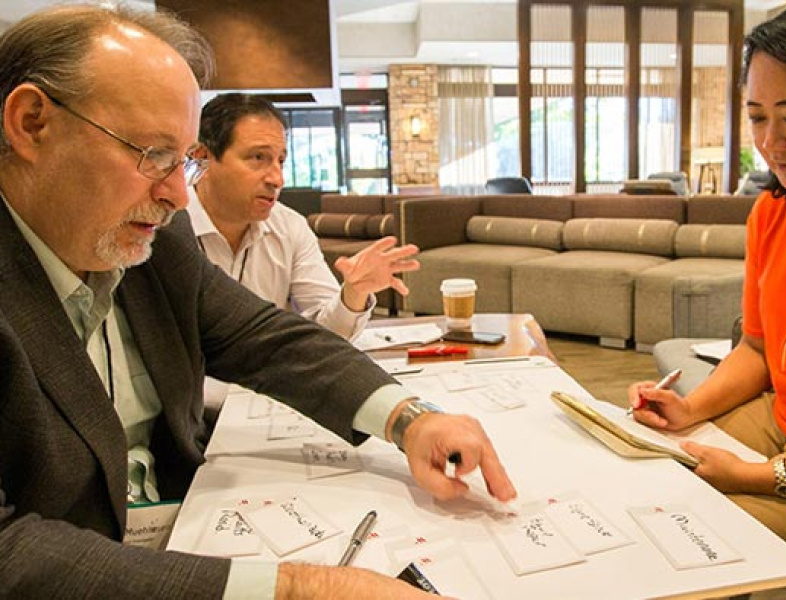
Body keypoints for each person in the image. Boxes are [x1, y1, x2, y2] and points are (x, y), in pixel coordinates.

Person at [0, 5, 516, 598]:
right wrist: (297, 588)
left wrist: (409, 419)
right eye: (152, 153)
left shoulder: (152, 242)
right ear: (33, 122)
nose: (174, 195)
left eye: (185, 159)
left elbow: (267, 338)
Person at [628, 4, 786, 552]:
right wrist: (689, 409)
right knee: (645, 481)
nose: (772, 143)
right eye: (757, 117)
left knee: (702, 533)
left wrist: (756, 476)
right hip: (781, 422)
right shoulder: (771, 214)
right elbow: (757, 348)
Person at [188, 93, 419, 342]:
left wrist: (353, 293)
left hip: (264, 379)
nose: (277, 179)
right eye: (258, 158)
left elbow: (327, 337)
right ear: (202, 157)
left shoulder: (290, 227)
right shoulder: (162, 229)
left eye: (281, 161)